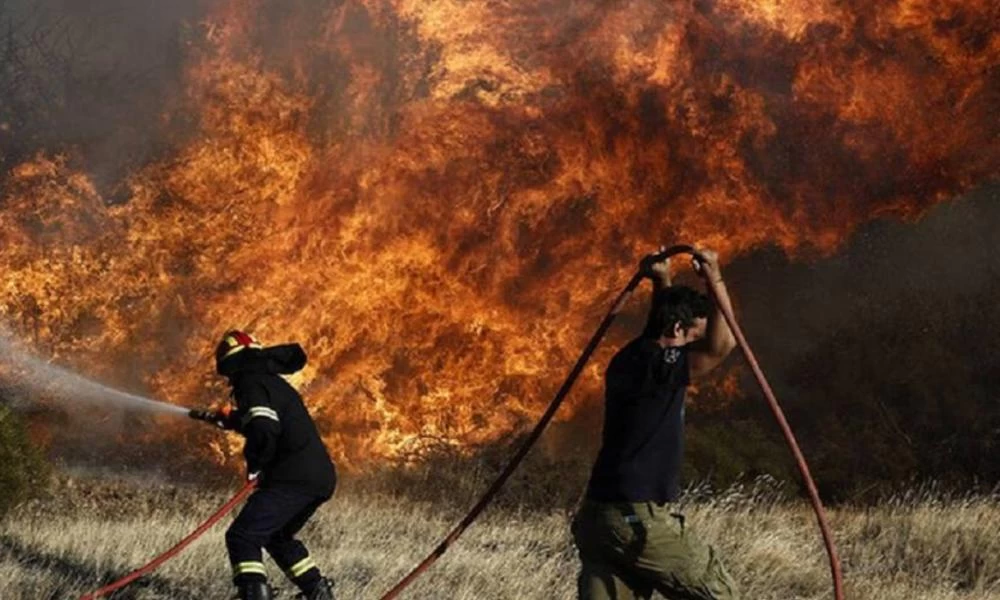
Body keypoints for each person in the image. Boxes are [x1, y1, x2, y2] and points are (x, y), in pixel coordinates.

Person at [572, 248, 740, 600]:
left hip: (599, 518)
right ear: (678, 329)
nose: (693, 349)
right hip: (636, 518)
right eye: (693, 338)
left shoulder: (631, 357)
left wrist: (661, 280)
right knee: (720, 594)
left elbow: (663, 324)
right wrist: (714, 276)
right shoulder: (659, 366)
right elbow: (722, 346)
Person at [192, 330, 337, 600]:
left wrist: (257, 465)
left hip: (292, 477)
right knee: (276, 536)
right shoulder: (271, 382)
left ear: (232, 363)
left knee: (243, 536)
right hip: (318, 477)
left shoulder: (250, 382)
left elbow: (264, 427)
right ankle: (318, 592)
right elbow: (265, 420)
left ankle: (253, 593)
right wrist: (233, 420)